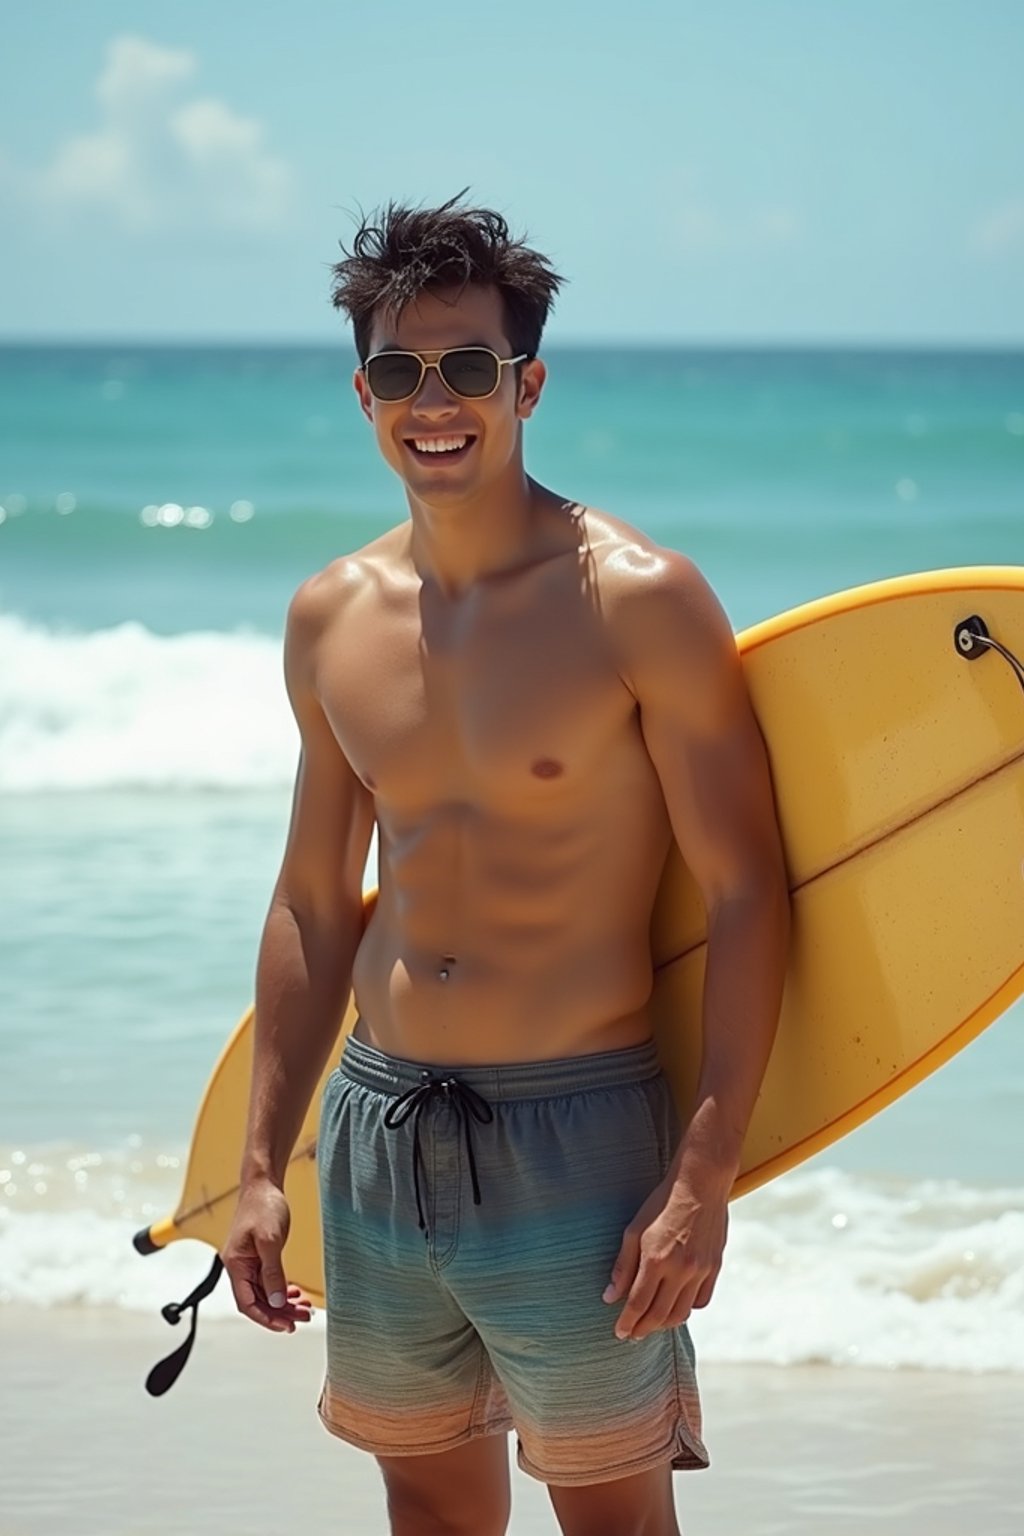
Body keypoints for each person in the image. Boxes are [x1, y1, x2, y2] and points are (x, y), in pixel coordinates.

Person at [222, 194, 791, 1536]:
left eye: (468, 367)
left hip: (578, 1134)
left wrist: (702, 1177)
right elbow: (314, 899)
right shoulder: (331, 618)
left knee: (614, 1519)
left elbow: (749, 892)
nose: (436, 400)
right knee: (428, 1512)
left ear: (526, 383)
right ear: (362, 393)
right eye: (401, 371)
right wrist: (261, 1157)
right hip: (377, 1123)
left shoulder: (635, 598)